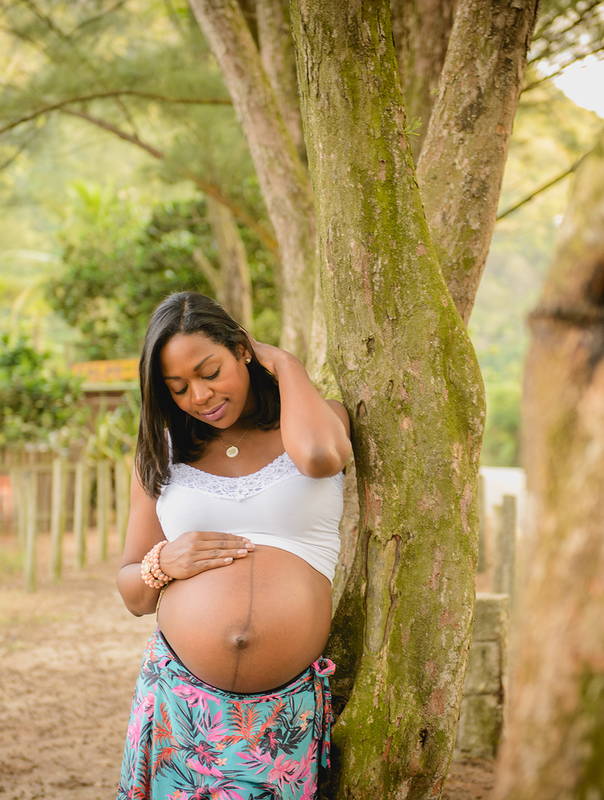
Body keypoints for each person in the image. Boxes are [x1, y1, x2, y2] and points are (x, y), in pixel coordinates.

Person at [116, 291, 352, 800]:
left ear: (243, 349)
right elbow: (133, 593)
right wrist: (163, 563)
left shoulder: (314, 418)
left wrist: (285, 363)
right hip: (180, 702)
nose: (199, 396)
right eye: (177, 387)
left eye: (210, 371)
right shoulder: (162, 454)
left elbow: (321, 457)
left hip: (281, 718)